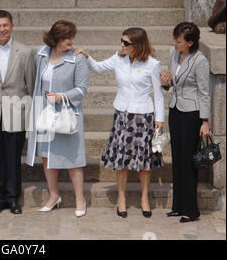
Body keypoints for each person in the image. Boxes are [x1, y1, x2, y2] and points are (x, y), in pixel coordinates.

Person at [76, 27, 165, 218]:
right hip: (122, 115)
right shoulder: (118, 59)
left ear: (137, 45)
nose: (122, 45)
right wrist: (86, 56)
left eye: (126, 43)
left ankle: (144, 198)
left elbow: (158, 94)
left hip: (143, 116)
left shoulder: (152, 63)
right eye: (121, 41)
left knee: (144, 162)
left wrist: (160, 119)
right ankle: (122, 197)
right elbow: (98, 68)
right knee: (120, 160)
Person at [26, 20, 89, 218]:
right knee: (47, 156)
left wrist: (61, 96)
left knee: (73, 158)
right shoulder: (42, 54)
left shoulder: (77, 59)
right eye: (67, 37)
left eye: (73, 36)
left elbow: (82, 89)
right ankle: (54, 196)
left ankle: (80, 199)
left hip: (68, 114)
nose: (71, 41)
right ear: (56, 38)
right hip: (45, 113)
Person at [0, 10, 36, 215]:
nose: (2, 29)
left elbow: (31, 85)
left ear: (12, 25)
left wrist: (29, 115)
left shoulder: (26, 52)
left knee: (13, 158)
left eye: (5, 25)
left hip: (16, 112)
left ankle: (13, 198)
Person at [160, 22, 210, 223]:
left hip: (192, 114)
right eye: (174, 39)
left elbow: (204, 93)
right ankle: (178, 206)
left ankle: (191, 210)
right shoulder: (173, 54)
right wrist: (165, 83)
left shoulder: (200, 60)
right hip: (175, 110)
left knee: (189, 162)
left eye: (178, 41)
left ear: (189, 42)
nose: (174, 43)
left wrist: (204, 121)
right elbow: (172, 81)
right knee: (178, 158)